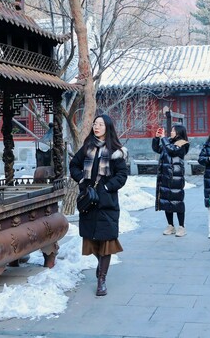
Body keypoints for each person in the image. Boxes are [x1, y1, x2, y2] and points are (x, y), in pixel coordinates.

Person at [69, 115, 128, 296]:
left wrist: (107, 187)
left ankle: (101, 279)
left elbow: (122, 175)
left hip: (107, 203)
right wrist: (81, 179)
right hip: (89, 201)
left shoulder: (116, 151)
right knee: (91, 239)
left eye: (100, 124)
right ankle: (101, 265)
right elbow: (74, 165)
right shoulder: (87, 147)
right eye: (95, 124)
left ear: (107, 127)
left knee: (107, 241)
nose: (97, 127)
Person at [153, 124, 190, 237]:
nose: (171, 132)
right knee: (166, 201)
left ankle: (181, 227)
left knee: (177, 202)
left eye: (173, 130)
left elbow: (172, 151)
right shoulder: (167, 141)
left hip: (176, 177)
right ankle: (170, 225)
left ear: (179, 132)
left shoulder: (183, 143)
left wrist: (163, 139)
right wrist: (156, 138)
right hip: (165, 176)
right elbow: (157, 149)